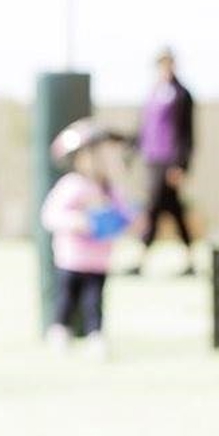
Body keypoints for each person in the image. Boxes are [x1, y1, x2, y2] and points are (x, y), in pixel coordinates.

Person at [41, 120, 134, 360]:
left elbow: (126, 216)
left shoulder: (110, 189)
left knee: (95, 302)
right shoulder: (72, 186)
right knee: (66, 299)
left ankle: (96, 338)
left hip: (99, 260)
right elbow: (50, 215)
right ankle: (60, 333)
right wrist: (79, 221)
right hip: (72, 259)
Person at [129, 47, 196, 276]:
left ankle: (141, 260)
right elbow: (144, 129)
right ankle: (190, 260)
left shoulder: (182, 95)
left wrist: (181, 165)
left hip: (169, 161)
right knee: (172, 210)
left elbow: (188, 134)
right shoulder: (153, 93)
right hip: (152, 160)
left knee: (154, 208)